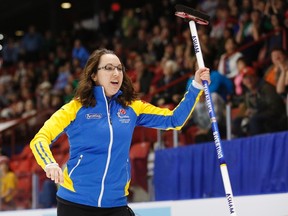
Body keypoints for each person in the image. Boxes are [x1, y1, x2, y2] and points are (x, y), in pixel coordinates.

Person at [30, 48, 210, 216]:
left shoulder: (132, 108)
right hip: (75, 204)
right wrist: (49, 164)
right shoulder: (75, 108)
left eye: (119, 68)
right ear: (94, 75)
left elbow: (173, 120)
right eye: (108, 68)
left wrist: (195, 86)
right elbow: (40, 139)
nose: (116, 73)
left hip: (115, 205)